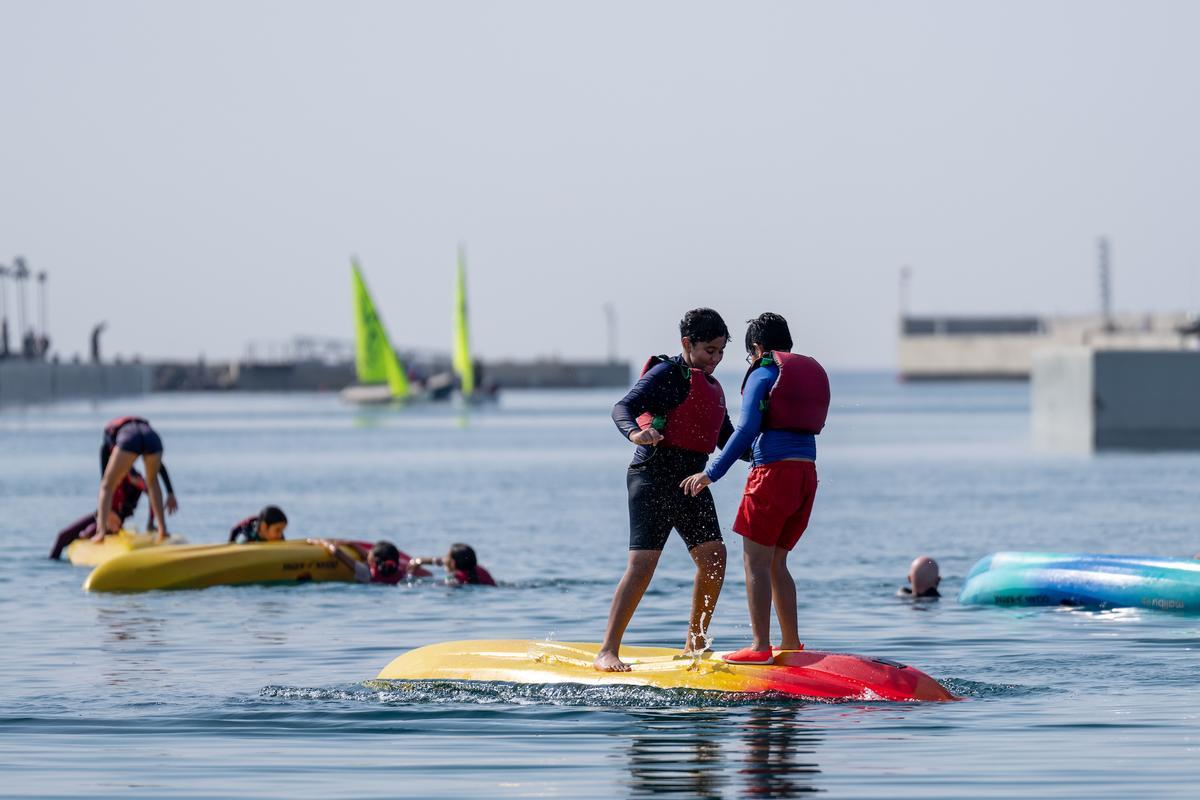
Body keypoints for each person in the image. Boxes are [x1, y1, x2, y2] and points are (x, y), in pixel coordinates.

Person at [681, 312, 829, 665]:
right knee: (778, 561)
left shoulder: (764, 372)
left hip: (772, 476)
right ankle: (790, 642)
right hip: (806, 474)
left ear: (758, 348)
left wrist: (710, 473)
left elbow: (746, 431)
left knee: (755, 563)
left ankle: (761, 646)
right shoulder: (799, 373)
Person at [595, 308, 737, 672]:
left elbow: (728, 440)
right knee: (642, 566)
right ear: (687, 344)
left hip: (691, 479)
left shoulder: (712, 387)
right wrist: (634, 433)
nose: (715, 360)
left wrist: (772, 451)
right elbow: (623, 406)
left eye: (721, 351)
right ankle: (607, 650)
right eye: (709, 350)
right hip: (652, 475)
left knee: (714, 558)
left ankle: (695, 644)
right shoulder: (667, 374)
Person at [92, 417, 169, 544]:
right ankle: (162, 529)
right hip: (153, 438)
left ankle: (101, 533)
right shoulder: (144, 427)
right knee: (152, 482)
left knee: (106, 485)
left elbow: (106, 458)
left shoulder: (111, 433)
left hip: (129, 440)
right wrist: (170, 492)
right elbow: (160, 466)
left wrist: (106, 510)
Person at [49, 470, 149, 559]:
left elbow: (152, 494)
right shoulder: (111, 473)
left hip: (114, 523)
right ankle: (51, 566)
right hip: (99, 516)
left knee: (88, 532)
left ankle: (82, 542)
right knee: (62, 536)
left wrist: (151, 522)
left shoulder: (136, 478)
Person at [311, 538, 413, 585]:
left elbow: (337, 552)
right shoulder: (398, 570)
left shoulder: (364, 572)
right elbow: (371, 559)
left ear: (373, 560)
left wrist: (322, 542)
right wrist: (352, 544)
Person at [408, 542, 497, 586]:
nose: (444, 558)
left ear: (453, 562)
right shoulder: (481, 570)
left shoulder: (454, 579)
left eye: (446, 556)